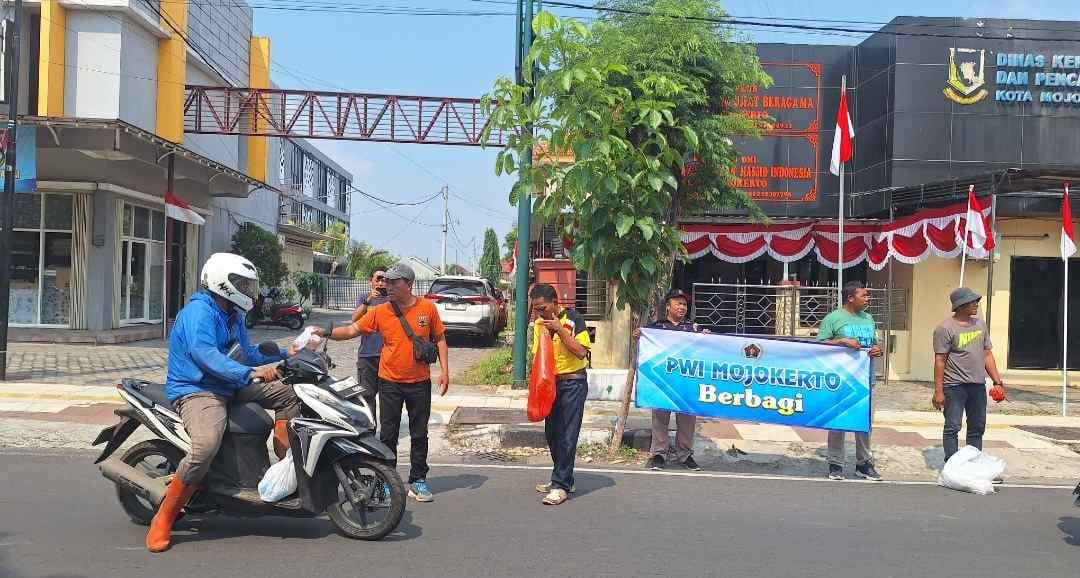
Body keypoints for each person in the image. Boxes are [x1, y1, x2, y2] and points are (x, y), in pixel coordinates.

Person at [146, 253, 298, 553]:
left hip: (230, 383)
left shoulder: (232, 314)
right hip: (198, 390)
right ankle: (164, 517)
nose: (249, 290)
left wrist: (285, 355)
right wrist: (251, 373)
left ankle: (284, 467)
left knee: (289, 393)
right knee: (204, 448)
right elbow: (206, 356)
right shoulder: (198, 313)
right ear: (223, 283)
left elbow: (247, 353)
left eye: (249, 284)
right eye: (243, 284)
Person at [314, 262, 449, 503]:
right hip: (389, 383)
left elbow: (439, 339)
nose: (388, 286)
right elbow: (351, 330)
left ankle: (418, 481)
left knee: (420, 434)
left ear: (408, 284)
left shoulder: (427, 308)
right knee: (388, 436)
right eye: (386, 281)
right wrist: (325, 332)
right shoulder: (380, 311)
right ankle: (386, 481)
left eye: (394, 282)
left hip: (420, 383)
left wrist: (445, 371)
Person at [530, 283, 592, 506]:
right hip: (550, 384)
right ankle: (565, 478)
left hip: (573, 383)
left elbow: (581, 352)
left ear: (555, 303)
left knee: (567, 435)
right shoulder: (539, 325)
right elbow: (538, 356)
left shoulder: (574, 319)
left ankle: (560, 485)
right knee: (552, 434)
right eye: (536, 309)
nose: (540, 313)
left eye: (543, 308)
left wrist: (560, 330)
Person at [816, 280, 884, 481]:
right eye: (864, 295)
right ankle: (836, 463)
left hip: (866, 381)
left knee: (864, 424)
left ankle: (864, 464)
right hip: (841, 380)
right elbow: (819, 346)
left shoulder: (868, 319)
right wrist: (840, 341)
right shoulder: (833, 319)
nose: (868, 299)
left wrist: (877, 350)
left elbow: (874, 344)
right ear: (850, 298)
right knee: (838, 422)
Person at [632, 289, 705, 471]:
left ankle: (685, 455)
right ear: (668, 306)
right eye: (678, 303)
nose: (682, 307)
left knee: (687, 421)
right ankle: (658, 455)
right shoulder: (656, 329)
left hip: (685, 383)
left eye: (685, 304)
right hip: (662, 383)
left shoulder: (693, 329)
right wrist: (640, 337)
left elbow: (703, 351)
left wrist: (706, 339)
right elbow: (645, 349)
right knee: (660, 420)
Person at [932, 287, 1006, 462]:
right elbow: (940, 360)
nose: (976, 304)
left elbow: (987, 354)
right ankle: (952, 464)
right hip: (954, 386)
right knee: (952, 426)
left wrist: (997, 382)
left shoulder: (980, 325)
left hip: (977, 385)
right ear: (961, 305)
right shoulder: (945, 328)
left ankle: (973, 463)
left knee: (977, 427)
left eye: (976, 301)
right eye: (973, 302)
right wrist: (938, 391)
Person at [352, 268, 389, 425]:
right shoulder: (364, 298)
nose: (381, 282)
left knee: (388, 398)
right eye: (378, 279)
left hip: (388, 356)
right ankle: (370, 430)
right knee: (367, 397)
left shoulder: (392, 299)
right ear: (371, 281)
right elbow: (354, 319)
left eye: (384, 279)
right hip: (367, 356)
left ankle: (387, 433)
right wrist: (368, 300)